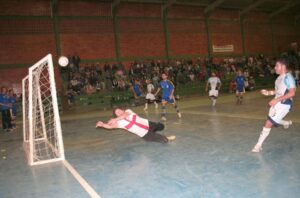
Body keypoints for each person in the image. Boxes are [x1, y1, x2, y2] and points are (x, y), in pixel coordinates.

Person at [252, 57, 296, 153]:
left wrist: (277, 100)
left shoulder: (288, 77)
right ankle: (286, 123)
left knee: (268, 122)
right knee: (272, 119)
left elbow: (292, 93)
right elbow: (279, 91)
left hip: (285, 103)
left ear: (283, 66)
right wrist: (268, 92)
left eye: (277, 65)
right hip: (278, 102)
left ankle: (258, 145)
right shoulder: (278, 79)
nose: (275, 67)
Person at [95, 108, 176, 143]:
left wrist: (115, 119)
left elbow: (125, 115)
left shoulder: (128, 111)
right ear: (116, 115)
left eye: (119, 111)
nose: (119, 113)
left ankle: (156, 129)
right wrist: (103, 125)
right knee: (165, 141)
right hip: (144, 134)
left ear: (122, 110)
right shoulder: (120, 123)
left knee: (161, 126)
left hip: (149, 124)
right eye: (117, 113)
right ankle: (165, 138)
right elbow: (111, 126)